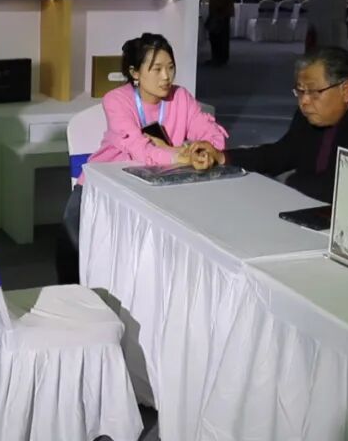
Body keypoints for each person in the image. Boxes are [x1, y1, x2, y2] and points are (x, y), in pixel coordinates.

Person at [194, 47, 348, 244]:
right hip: (326, 226)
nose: (305, 102)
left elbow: (341, 190)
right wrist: (223, 157)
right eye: (300, 92)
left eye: (314, 92)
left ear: (346, 91)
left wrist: (291, 182)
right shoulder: (315, 113)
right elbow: (282, 153)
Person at [56, 33, 228, 284]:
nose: (166, 77)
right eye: (157, 69)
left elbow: (212, 134)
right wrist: (181, 155)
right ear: (135, 72)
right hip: (104, 186)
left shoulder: (181, 98)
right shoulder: (116, 100)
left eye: (170, 68)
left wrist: (204, 151)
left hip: (160, 187)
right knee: (71, 238)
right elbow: (140, 149)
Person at [200, 0, 237, 67]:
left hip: (222, 10)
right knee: (214, 35)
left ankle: (221, 59)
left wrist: (221, 1)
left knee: (221, 36)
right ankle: (216, 58)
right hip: (215, 10)